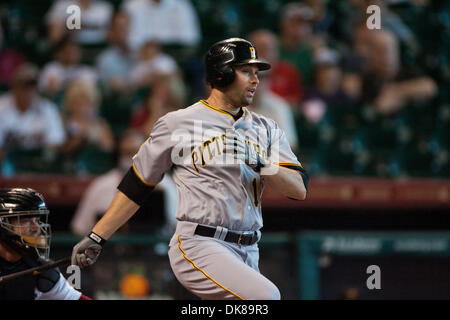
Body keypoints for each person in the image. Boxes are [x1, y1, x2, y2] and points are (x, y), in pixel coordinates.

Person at [71, 38, 308, 300]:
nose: (255, 80)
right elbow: (137, 185)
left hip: (249, 247)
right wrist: (97, 236)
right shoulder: (179, 123)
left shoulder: (266, 128)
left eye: (256, 73)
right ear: (222, 73)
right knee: (266, 297)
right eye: (246, 72)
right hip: (200, 242)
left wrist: (260, 163)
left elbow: (298, 189)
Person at [70, 129, 178, 236]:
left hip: (155, 250)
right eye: (126, 153)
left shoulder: (166, 185)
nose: (131, 158)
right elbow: (80, 228)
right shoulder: (101, 185)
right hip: (110, 251)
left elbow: (178, 228)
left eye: (136, 152)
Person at [0, 188, 91, 300]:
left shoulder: (40, 269)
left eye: (37, 220)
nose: (36, 229)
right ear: (2, 224)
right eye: (26, 221)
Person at [0, 64, 66, 167]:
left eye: (32, 86)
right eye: (24, 86)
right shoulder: (2, 106)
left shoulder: (48, 108)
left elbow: (56, 142)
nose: (28, 91)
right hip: (7, 164)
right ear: (14, 86)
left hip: (38, 163)